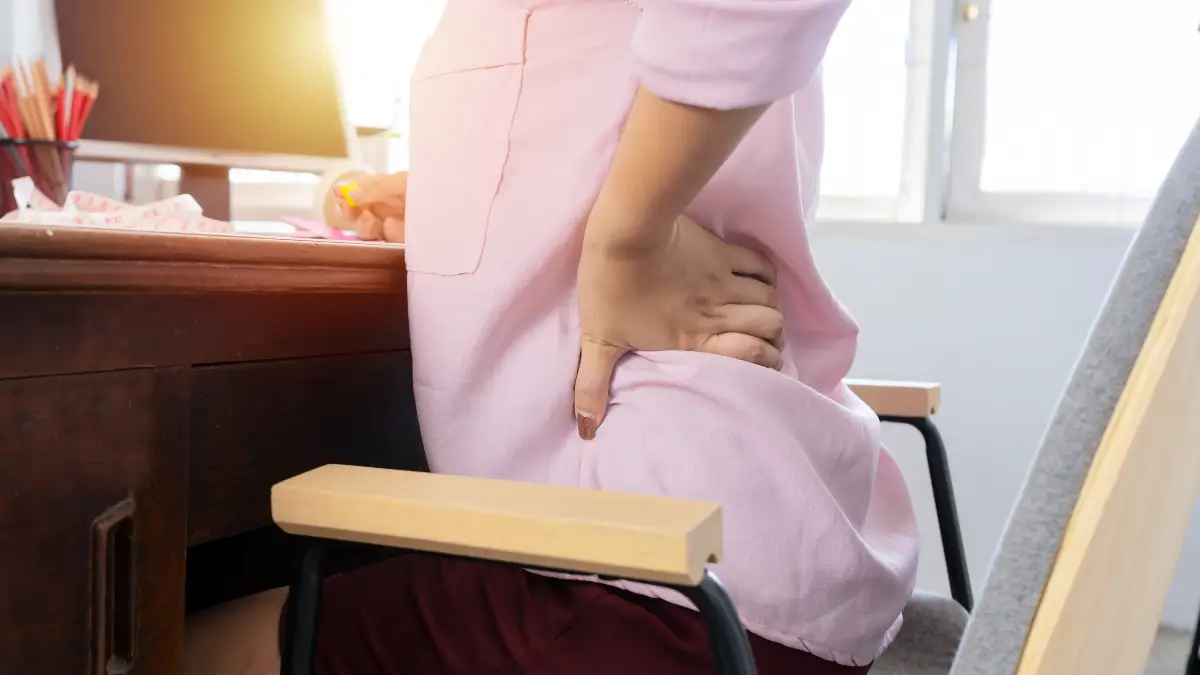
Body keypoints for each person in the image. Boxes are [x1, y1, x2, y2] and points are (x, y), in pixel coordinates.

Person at [185, 0, 920, 673]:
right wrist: (467, 197)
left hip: (646, 592)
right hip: (738, 568)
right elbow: (588, 118)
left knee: (174, 643)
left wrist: (628, 241)